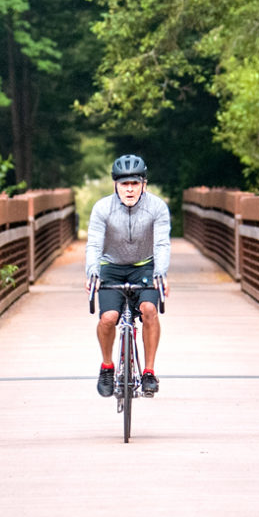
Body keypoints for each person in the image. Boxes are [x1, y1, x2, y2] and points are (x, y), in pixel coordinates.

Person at [86, 154, 170, 397]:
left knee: (149, 310)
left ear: (144, 184)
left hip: (145, 266)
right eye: (125, 184)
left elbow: (162, 244)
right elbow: (93, 244)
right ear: (116, 185)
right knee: (109, 318)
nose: (130, 189)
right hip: (111, 266)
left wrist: (161, 273)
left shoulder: (157, 208)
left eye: (135, 183)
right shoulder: (102, 208)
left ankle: (149, 372)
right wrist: (92, 272)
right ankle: (107, 367)